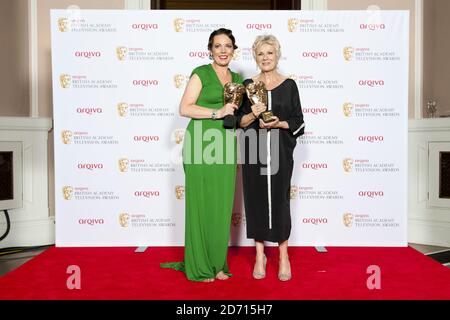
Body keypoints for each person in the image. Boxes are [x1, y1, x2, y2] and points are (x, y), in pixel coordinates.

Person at [161, 28, 243, 282]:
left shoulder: (238, 78)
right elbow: (184, 108)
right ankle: (199, 266)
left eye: (227, 46)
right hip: (200, 144)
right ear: (210, 50)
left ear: (233, 50)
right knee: (200, 205)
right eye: (217, 46)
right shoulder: (201, 73)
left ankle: (218, 264)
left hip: (225, 145)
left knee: (221, 206)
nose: (222, 50)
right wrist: (215, 113)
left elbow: (237, 115)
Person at [237, 35, 304, 281]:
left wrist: (279, 123)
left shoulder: (289, 86)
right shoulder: (248, 85)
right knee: (254, 201)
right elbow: (238, 122)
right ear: (255, 57)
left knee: (280, 201)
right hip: (253, 152)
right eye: (260, 54)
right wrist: (252, 115)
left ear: (277, 55)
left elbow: (299, 121)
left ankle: (283, 255)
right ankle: (259, 255)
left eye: (270, 53)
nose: (265, 58)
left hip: (280, 153)